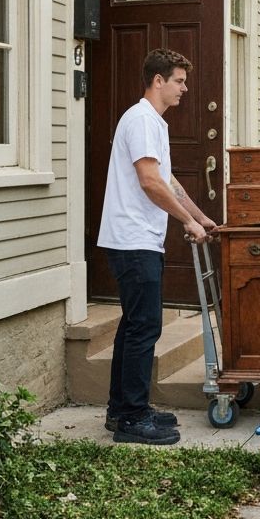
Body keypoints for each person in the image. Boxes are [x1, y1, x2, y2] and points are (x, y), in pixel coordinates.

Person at [97, 48, 217, 445]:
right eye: (180, 81)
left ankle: (123, 409)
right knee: (144, 326)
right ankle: (131, 418)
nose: (185, 88)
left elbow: (170, 184)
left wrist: (198, 217)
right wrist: (185, 222)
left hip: (138, 238)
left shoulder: (154, 124)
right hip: (132, 238)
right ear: (158, 80)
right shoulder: (143, 120)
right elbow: (149, 182)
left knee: (135, 325)